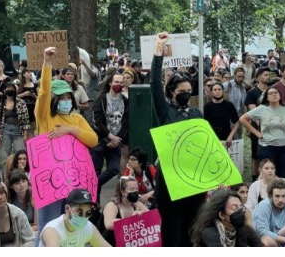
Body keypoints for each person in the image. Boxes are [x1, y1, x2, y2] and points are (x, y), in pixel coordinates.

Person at [34, 47, 98, 241]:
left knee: (70, 226)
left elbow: (93, 140)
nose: (66, 101)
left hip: (73, 181)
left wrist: (71, 130)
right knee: (48, 227)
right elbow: (44, 92)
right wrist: (47, 63)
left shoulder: (77, 119)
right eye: (61, 98)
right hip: (50, 182)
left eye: (68, 97)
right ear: (53, 100)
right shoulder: (45, 117)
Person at [149, 32, 205, 247]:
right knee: (172, 229)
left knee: (191, 229)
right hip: (171, 179)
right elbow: (154, 83)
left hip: (194, 178)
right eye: (182, 91)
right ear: (172, 91)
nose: (186, 94)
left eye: (189, 91)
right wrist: (158, 50)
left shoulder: (197, 114)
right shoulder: (165, 112)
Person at [239, 88, 285, 179]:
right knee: (268, 176)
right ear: (267, 98)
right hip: (267, 147)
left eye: (276, 93)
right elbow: (243, 119)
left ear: (280, 96)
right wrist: (256, 132)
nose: (273, 94)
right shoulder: (262, 109)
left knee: (282, 177)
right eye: (270, 93)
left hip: (284, 147)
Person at [91, 71, 129, 199]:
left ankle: (94, 184)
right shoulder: (101, 100)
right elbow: (97, 122)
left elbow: (126, 122)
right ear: (110, 83)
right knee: (96, 171)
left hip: (116, 142)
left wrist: (118, 138)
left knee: (114, 169)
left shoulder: (125, 101)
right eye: (116, 82)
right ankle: (95, 201)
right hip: (101, 141)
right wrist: (110, 137)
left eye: (121, 82)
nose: (119, 84)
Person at [39, 188, 110, 247]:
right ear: (67, 209)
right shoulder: (52, 230)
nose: (83, 217)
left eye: (88, 213)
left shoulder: (88, 227)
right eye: (80, 212)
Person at [191, 190, 263, 247]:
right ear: (221, 215)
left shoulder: (243, 228)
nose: (240, 211)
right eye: (234, 207)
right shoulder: (210, 233)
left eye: (241, 206)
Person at [252, 178, 285, 247]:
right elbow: (263, 232)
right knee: (267, 241)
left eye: (283, 196)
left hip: (275, 236)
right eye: (277, 196)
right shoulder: (264, 206)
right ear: (271, 196)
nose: (280, 200)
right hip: (256, 241)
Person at [101, 176, 148, 246]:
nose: (135, 191)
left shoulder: (136, 203)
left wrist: (142, 215)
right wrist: (133, 219)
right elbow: (109, 224)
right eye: (132, 189)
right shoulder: (112, 205)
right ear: (123, 192)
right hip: (109, 243)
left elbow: (152, 217)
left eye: (136, 189)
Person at [0, 82, 30, 170]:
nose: (10, 90)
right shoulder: (1, 104)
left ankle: (22, 175)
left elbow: (26, 120)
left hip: (18, 131)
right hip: (5, 131)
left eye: (12, 88)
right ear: (4, 90)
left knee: (21, 154)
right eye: (8, 88)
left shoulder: (21, 103)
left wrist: (26, 134)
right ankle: (6, 176)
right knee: (4, 156)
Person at [244, 68, 271, 181]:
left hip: (272, 127)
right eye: (265, 75)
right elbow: (253, 112)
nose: (268, 77)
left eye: (269, 75)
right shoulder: (252, 93)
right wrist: (263, 126)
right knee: (256, 155)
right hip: (258, 128)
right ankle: (255, 178)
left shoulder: (272, 91)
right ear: (258, 77)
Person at [204, 82, 240, 148]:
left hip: (226, 137)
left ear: (223, 91)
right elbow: (204, 123)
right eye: (215, 90)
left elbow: (236, 122)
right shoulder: (207, 106)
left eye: (219, 89)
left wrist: (231, 136)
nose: (217, 91)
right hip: (212, 136)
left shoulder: (229, 105)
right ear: (211, 92)